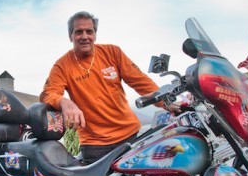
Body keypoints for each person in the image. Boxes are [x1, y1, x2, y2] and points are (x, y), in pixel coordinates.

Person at [40, 11, 167, 164]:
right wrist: (64, 102)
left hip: (130, 136)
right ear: (70, 36)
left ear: (95, 34)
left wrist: (166, 102)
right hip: (95, 146)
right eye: (79, 32)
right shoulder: (62, 65)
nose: (85, 36)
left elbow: (141, 82)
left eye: (89, 31)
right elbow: (48, 94)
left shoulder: (113, 52)